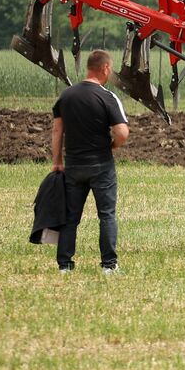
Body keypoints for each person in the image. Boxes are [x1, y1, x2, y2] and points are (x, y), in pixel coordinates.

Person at [50, 49, 129, 274]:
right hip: (101, 165)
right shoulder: (107, 97)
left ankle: (65, 265)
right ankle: (109, 265)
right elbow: (122, 133)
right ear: (105, 68)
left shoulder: (66, 96)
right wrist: (111, 146)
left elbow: (57, 130)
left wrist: (57, 161)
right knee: (106, 215)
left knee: (70, 217)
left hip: (73, 165)